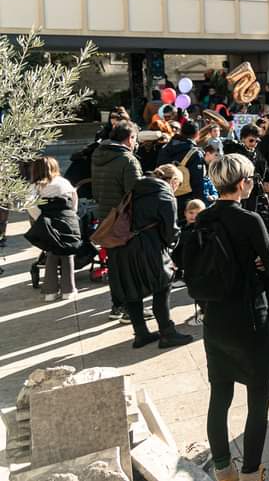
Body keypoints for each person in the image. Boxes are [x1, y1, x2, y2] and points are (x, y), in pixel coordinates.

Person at [199, 154, 269, 481]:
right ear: (242, 182)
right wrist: (260, 267)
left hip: (215, 318)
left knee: (219, 396)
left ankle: (223, 469)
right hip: (249, 318)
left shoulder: (202, 218)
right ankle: (251, 472)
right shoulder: (250, 220)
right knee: (257, 400)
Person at [108, 164, 194, 349]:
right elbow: (170, 230)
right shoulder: (164, 193)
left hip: (122, 248)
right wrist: (172, 247)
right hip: (148, 247)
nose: (176, 190)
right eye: (177, 185)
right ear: (172, 181)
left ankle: (141, 334)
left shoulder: (137, 186)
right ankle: (167, 333)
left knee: (132, 290)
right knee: (162, 287)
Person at [92, 120, 144, 320]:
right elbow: (136, 192)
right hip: (125, 219)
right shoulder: (127, 160)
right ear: (129, 138)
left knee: (114, 265)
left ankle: (117, 305)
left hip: (106, 216)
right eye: (134, 139)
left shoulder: (98, 155)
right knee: (130, 267)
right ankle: (130, 309)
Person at [27, 157, 80, 302]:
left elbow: (30, 205)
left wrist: (41, 220)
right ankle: (68, 290)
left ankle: (50, 291)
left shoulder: (35, 187)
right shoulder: (63, 182)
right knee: (67, 253)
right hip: (67, 221)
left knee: (51, 253)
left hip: (47, 223)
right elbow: (74, 200)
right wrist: (72, 215)